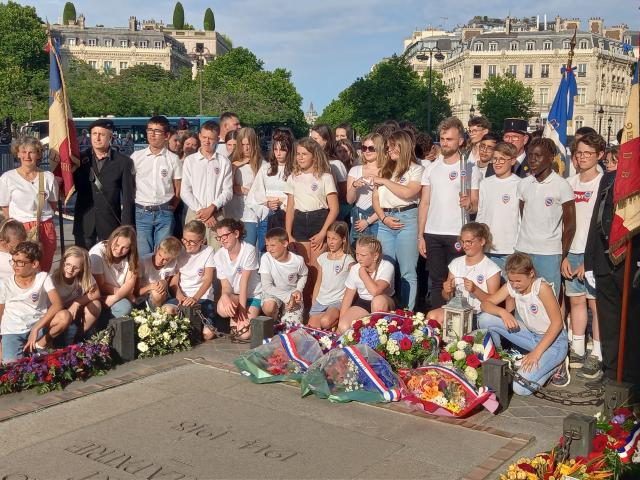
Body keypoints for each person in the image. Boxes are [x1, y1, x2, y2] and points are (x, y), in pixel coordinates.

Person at [479, 252, 570, 395]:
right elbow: (485, 304)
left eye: (518, 281)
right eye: (511, 280)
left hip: (554, 342)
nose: (515, 285)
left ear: (531, 274)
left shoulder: (541, 288)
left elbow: (557, 323)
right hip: (532, 336)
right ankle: (498, 360)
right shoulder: (512, 286)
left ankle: (557, 366)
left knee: (521, 388)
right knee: (485, 318)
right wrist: (503, 312)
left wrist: (536, 354)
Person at [584, 170, 640, 396]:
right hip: (606, 260)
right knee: (609, 325)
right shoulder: (610, 177)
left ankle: (632, 380)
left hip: (633, 263)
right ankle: (610, 374)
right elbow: (597, 218)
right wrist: (590, 260)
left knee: (634, 326)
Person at [563, 133, 604, 379]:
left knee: (594, 304)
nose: (583, 157)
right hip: (572, 251)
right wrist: (565, 255)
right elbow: (565, 223)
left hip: (593, 253)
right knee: (575, 300)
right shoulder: (569, 183)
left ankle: (597, 352)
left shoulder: (603, 183)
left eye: (588, 153)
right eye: (579, 153)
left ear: (599, 155)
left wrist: (589, 260)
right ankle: (577, 347)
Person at [418, 117, 470, 309]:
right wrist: (420, 235)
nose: (445, 143)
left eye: (450, 139)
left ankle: (458, 324)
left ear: (461, 141)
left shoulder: (468, 168)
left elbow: (475, 203)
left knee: (457, 281)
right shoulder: (431, 168)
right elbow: (424, 203)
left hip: (458, 232)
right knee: (437, 281)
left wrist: (470, 204)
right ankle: (438, 324)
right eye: (442, 139)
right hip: (433, 233)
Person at [515, 137, 576, 297]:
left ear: (551, 157)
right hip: (523, 250)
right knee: (523, 296)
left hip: (549, 253)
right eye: (530, 155)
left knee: (549, 299)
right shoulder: (524, 184)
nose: (533, 160)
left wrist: (561, 255)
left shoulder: (562, 185)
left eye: (538, 155)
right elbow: (524, 213)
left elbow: (570, 225)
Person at [371, 130, 423, 310]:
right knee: (385, 269)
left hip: (407, 220)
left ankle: (408, 313)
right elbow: (375, 199)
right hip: (385, 221)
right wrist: (383, 218)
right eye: (388, 146)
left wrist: (384, 182)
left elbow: (409, 192)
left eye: (393, 146)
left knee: (407, 271)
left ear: (403, 146)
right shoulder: (384, 169)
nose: (389, 149)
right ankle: (386, 310)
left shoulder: (416, 169)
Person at [285, 138, 338, 306]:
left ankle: (316, 305)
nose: (299, 158)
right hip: (300, 221)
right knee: (303, 268)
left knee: (316, 267)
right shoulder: (293, 178)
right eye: (298, 154)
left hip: (319, 220)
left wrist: (323, 233)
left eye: (304, 154)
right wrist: (288, 234)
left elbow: (334, 208)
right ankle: (303, 306)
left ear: (314, 156)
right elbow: (290, 208)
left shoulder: (325, 177)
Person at [73, 119, 135, 249]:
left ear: (110, 137)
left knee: (108, 266)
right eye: (94, 134)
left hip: (110, 225)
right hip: (84, 223)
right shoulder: (79, 160)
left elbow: (128, 198)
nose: (97, 138)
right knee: (83, 265)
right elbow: (72, 187)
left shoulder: (123, 162)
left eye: (102, 134)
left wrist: (126, 229)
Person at [0, 241, 66, 362]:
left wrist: (36, 328)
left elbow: (58, 304)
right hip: (12, 331)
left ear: (34, 264)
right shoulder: (5, 284)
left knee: (64, 316)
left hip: (37, 327)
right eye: (13, 261)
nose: (15, 265)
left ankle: (38, 346)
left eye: (20, 262)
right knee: (12, 370)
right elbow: (1, 312)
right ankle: (26, 353)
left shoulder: (43, 277)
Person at [0, 136, 59, 272]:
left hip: (45, 227)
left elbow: (53, 204)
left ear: (38, 154)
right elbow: (5, 207)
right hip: (19, 229)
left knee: (43, 267)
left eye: (32, 152)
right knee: (22, 267)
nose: (27, 156)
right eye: (23, 151)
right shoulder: (7, 178)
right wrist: (15, 228)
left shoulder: (48, 177)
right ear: (18, 153)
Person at [427, 222, 501, 325]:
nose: (465, 246)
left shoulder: (491, 268)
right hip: (456, 311)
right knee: (432, 316)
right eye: (462, 242)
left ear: (482, 241)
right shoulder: (456, 263)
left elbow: (494, 302)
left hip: (478, 314)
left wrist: (475, 290)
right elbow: (447, 297)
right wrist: (447, 290)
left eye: (469, 242)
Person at [131, 115, 182, 256]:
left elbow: (178, 188)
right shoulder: (136, 157)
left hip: (164, 211)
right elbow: (131, 184)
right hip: (142, 212)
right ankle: (146, 279)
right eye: (149, 130)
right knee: (143, 255)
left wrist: (171, 207)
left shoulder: (173, 159)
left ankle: (161, 278)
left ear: (166, 135)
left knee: (164, 253)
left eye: (157, 131)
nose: (152, 134)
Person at [180, 120, 233, 250]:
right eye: (204, 137)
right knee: (192, 254)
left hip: (216, 215)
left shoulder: (223, 162)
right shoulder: (190, 161)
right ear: (199, 136)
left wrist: (212, 208)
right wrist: (202, 212)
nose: (207, 141)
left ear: (217, 139)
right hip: (195, 213)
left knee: (217, 254)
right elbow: (185, 191)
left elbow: (227, 191)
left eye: (211, 138)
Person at [166, 220, 217, 340]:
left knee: (208, 334)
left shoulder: (208, 251)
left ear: (202, 241)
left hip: (202, 297)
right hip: (182, 296)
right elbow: (174, 282)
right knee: (166, 310)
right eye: (184, 239)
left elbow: (208, 279)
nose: (187, 244)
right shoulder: (180, 250)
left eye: (192, 242)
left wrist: (195, 298)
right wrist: (180, 296)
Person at [246, 128, 295, 251]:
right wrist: (267, 203)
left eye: (282, 150)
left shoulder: (295, 170)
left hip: (288, 217)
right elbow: (254, 194)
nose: (278, 153)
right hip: (267, 218)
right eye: (275, 149)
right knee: (265, 252)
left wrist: (284, 203)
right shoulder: (266, 169)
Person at [213, 219, 262, 341]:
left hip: (253, 295)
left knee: (244, 335)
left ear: (236, 233)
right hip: (235, 294)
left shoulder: (249, 250)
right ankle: (235, 319)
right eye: (219, 237)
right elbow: (225, 285)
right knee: (222, 308)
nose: (222, 240)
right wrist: (224, 296)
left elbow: (244, 282)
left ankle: (252, 314)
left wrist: (242, 311)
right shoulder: (218, 255)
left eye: (225, 236)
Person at [476, 142, 521, 272]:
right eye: (495, 158)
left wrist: (519, 246)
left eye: (502, 159)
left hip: (510, 249)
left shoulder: (520, 184)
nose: (497, 162)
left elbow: (521, 218)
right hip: (488, 248)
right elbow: (481, 213)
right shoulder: (485, 183)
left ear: (512, 161)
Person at [336, 236, 395, 333]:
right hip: (363, 301)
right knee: (344, 326)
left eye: (363, 255)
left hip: (385, 300)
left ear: (375, 256)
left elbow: (375, 291)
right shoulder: (355, 268)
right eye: (357, 254)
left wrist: (363, 274)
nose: (358, 258)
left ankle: (379, 335)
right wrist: (339, 326)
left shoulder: (387, 266)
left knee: (378, 301)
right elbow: (347, 298)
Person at [308, 221, 355, 330]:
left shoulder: (347, 260)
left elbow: (354, 284)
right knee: (311, 327)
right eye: (328, 238)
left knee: (325, 322)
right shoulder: (323, 258)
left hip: (337, 301)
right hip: (321, 300)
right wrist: (314, 302)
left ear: (343, 239)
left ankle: (336, 324)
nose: (330, 242)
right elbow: (318, 282)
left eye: (334, 239)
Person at [50, 246, 101, 344]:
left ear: (82, 268)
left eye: (76, 267)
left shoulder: (84, 277)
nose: (70, 270)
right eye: (68, 264)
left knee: (96, 304)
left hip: (75, 310)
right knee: (70, 326)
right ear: (63, 262)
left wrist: (76, 303)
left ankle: (80, 336)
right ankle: (64, 344)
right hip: (58, 314)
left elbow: (96, 293)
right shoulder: (54, 279)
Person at [224, 127, 265, 247]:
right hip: (231, 213)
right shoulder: (229, 162)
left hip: (251, 215)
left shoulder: (262, 164)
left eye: (249, 144)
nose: (246, 148)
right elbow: (224, 187)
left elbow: (262, 190)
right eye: (243, 144)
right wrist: (234, 167)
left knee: (248, 249)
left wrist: (247, 191)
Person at [89, 225, 139, 321]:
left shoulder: (133, 256)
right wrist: (125, 293)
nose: (119, 250)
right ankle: (103, 326)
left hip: (118, 294)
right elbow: (100, 284)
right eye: (117, 245)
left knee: (126, 306)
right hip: (100, 293)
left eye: (125, 248)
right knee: (125, 307)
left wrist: (116, 297)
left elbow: (130, 282)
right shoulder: (97, 253)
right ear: (112, 239)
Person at [259, 227, 308, 324]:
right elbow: (267, 286)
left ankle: (286, 318)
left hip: (292, 294)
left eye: (273, 245)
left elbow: (304, 274)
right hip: (273, 292)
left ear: (285, 244)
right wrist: (287, 297)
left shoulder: (298, 260)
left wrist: (299, 289)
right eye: (267, 245)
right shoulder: (266, 258)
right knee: (269, 307)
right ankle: (274, 320)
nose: (269, 249)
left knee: (291, 328)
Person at [347, 133, 384, 246]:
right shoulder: (355, 170)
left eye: (371, 148)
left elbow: (385, 204)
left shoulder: (386, 171)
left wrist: (368, 222)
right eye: (364, 148)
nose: (367, 151)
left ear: (379, 149)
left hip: (377, 220)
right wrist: (354, 186)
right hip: (358, 218)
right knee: (358, 255)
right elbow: (349, 200)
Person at [137, 236, 182, 309]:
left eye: (166, 260)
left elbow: (171, 283)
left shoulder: (172, 264)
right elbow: (135, 292)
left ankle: (160, 313)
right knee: (156, 293)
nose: (160, 261)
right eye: (159, 255)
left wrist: (164, 282)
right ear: (156, 250)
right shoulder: (143, 262)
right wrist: (150, 287)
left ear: (172, 259)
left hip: (163, 297)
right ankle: (157, 314)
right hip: (143, 297)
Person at [310, 124, 348, 209]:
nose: (311, 142)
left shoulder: (335, 163)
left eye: (315, 139)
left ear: (325, 140)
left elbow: (343, 192)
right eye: (311, 139)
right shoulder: (308, 160)